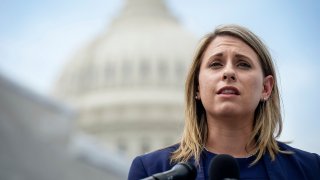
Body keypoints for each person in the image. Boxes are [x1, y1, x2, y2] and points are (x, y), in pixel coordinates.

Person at [128, 24, 320, 180]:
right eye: (216, 64)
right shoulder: (153, 170)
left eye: (243, 64)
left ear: (266, 88)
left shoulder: (310, 169)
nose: (228, 72)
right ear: (197, 87)